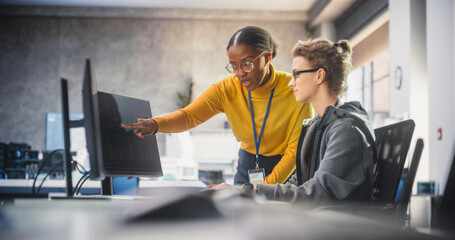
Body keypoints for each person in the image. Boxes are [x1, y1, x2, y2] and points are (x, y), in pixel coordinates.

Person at [122, 26, 313, 185]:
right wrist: (156, 124)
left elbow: (295, 151)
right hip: (248, 164)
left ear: (267, 57)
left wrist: (261, 189)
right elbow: (190, 116)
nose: (240, 73)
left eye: (247, 64)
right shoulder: (227, 89)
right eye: (234, 66)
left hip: (286, 171)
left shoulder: (294, 89)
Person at [213, 38, 376, 205]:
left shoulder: (346, 130)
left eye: (296, 74)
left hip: (337, 225)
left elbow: (318, 193)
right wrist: (247, 192)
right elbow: (297, 184)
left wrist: (250, 190)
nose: (290, 83)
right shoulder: (318, 125)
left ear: (319, 75)